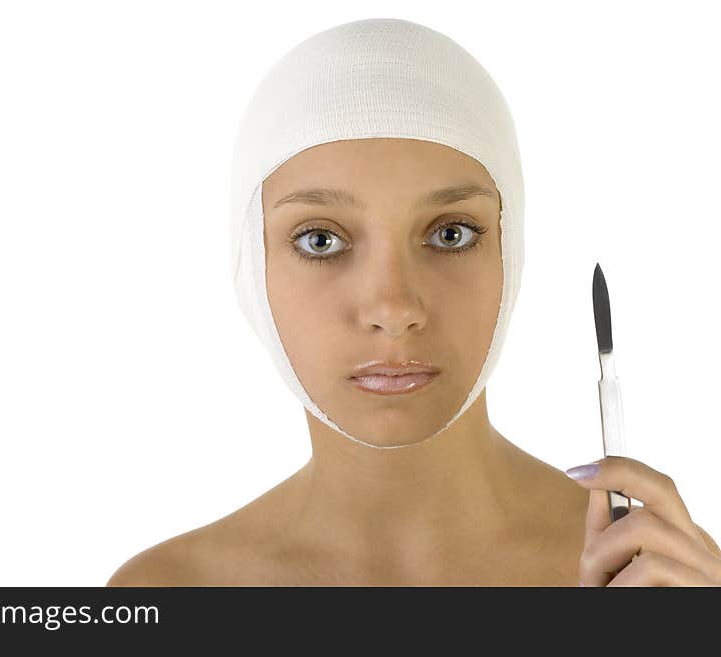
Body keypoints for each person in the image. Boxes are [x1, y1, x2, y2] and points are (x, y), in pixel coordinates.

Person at [108, 19, 720, 586]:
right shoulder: (165, 595)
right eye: (320, 240)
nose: (394, 307)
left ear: (511, 250)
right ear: (251, 263)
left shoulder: (658, 578)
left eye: (450, 233)